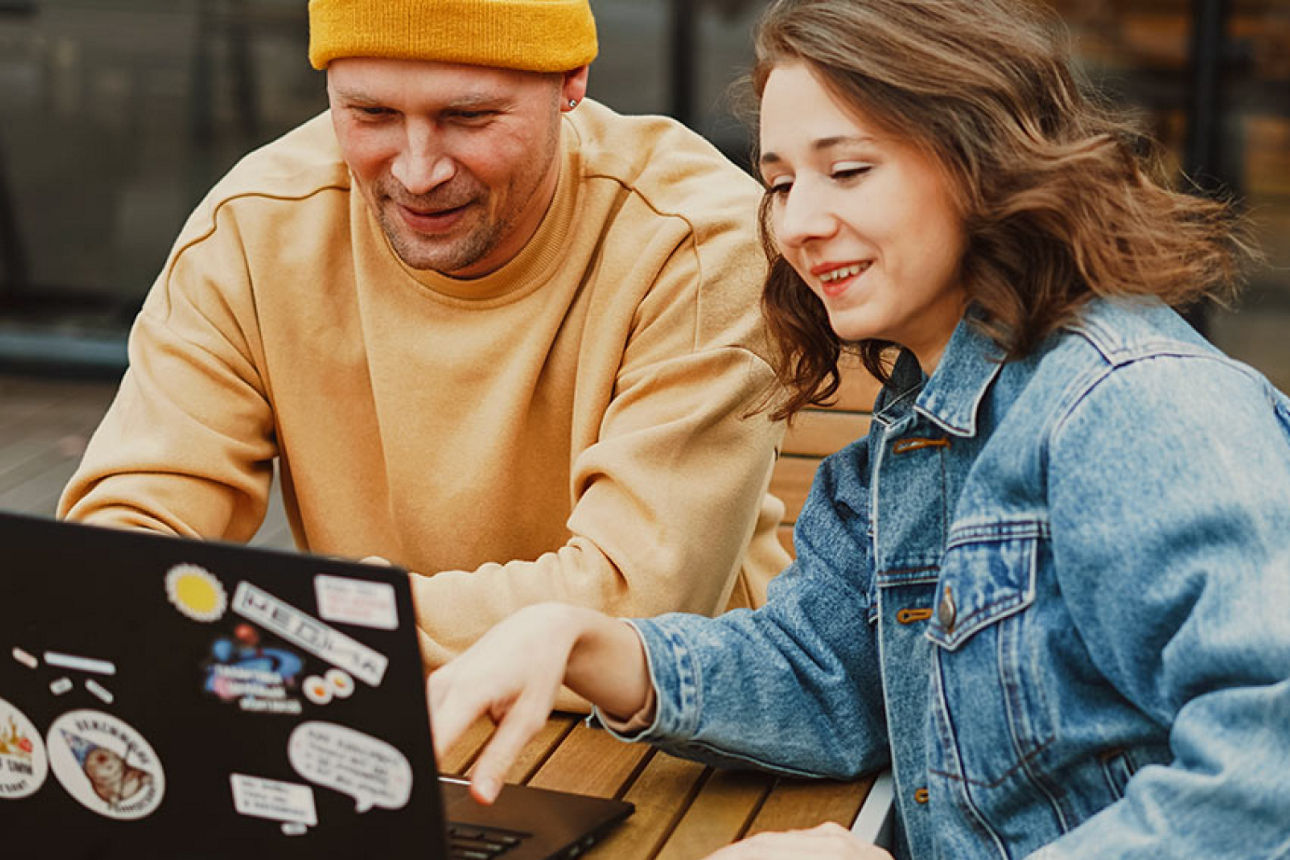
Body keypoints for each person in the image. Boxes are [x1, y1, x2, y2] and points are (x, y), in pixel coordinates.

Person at [427, 0, 1290, 856]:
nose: (798, 224)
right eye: (780, 183)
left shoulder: (1137, 409)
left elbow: (1266, 778)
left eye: (847, 172)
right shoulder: (916, 431)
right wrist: (583, 642)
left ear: (981, 162)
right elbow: (823, 674)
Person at [57, 0, 792, 675]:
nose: (416, 170)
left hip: (671, 730)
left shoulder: (698, 244)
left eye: (468, 117)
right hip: (366, 703)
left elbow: (635, 601)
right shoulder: (258, 226)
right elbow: (128, 535)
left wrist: (300, 625)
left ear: (571, 81)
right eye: (370, 113)